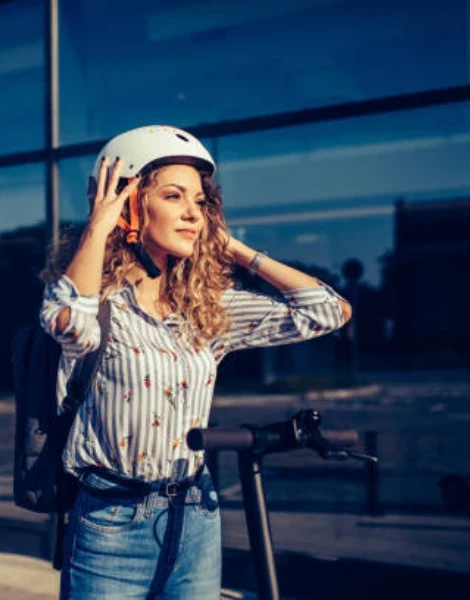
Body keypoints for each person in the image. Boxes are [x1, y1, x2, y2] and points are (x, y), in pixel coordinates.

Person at [40, 125, 351, 599]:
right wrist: (100, 226)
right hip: (110, 521)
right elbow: (66, 321)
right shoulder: (100, 305)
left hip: (196, 514)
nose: (192, 213)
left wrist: (236, 250)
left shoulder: (205, 309)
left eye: (200, 201)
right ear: (131, 205)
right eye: (173, 196)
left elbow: (328, 312)